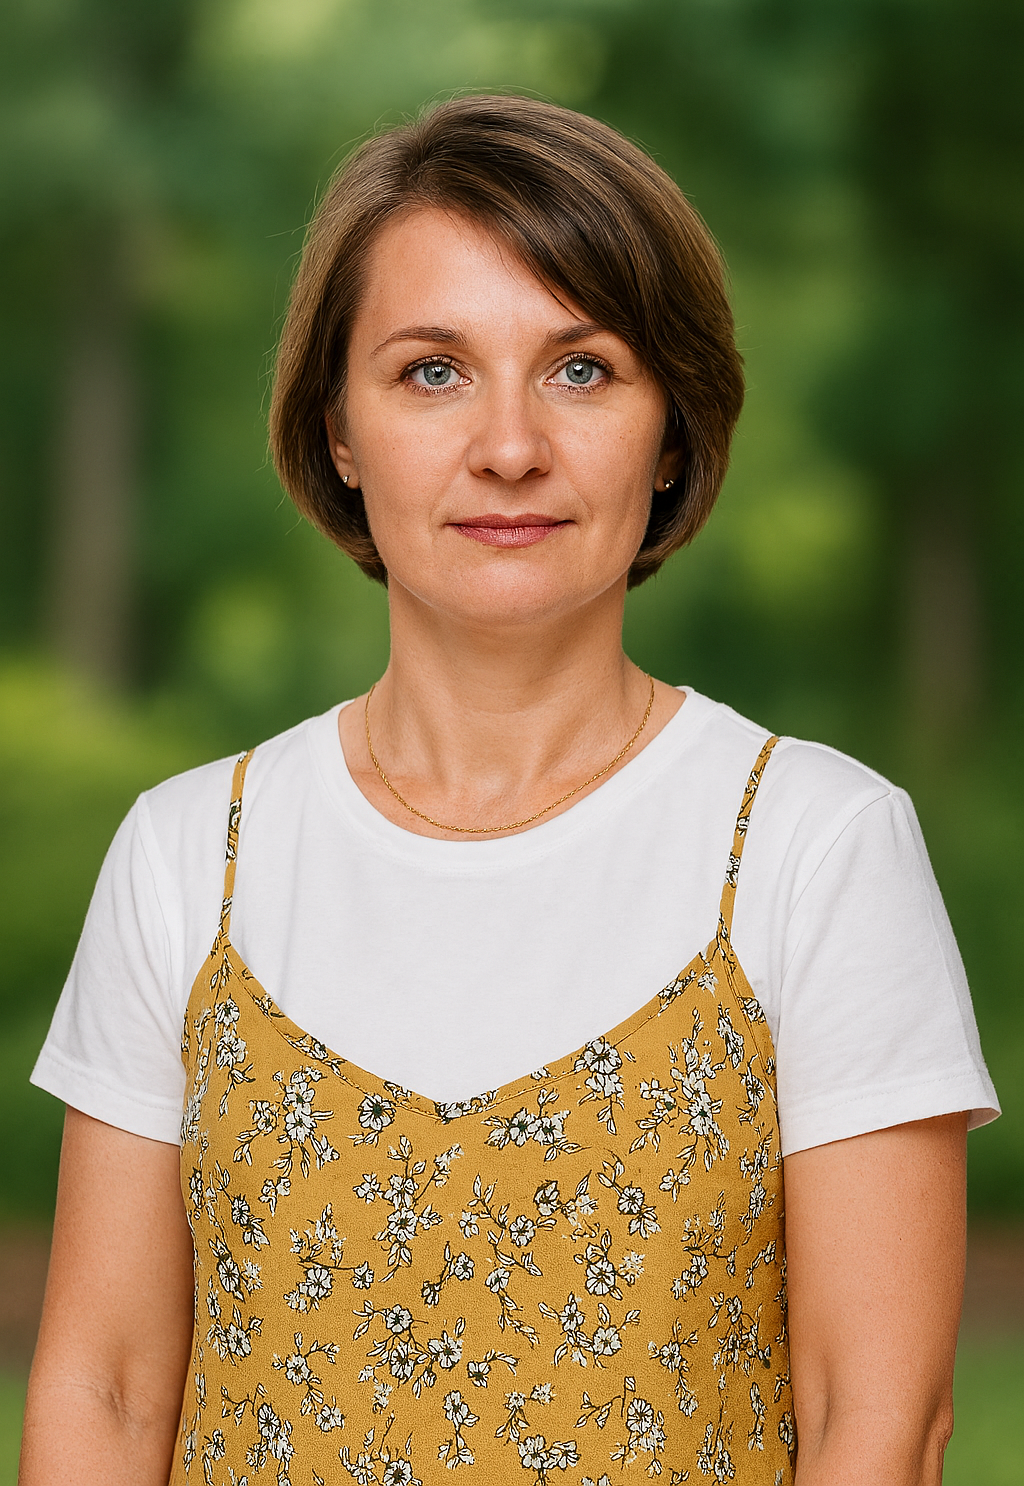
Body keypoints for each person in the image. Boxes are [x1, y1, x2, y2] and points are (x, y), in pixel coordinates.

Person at [21, 95, 997, 1486]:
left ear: (672, 430)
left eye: (582, 370)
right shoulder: (194, 856)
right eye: (432, 371)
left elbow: (877, 1425)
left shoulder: (814, 846)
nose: (510, 447)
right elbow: (103, 1398)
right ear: (339, 431)